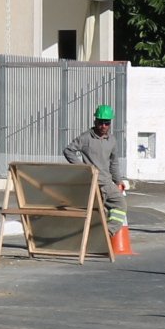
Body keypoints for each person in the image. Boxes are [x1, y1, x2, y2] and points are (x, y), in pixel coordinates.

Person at [62, 104, 128, 246]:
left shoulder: (112, 140)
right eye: (100, 122)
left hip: (107, 182)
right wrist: (84, 169)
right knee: (98, 212)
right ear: (95, 121)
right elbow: (68, 151)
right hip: (92, 182)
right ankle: (88, 241)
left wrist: (118, 180)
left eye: (106, 123)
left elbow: (114, 162)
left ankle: (107, 233)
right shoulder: (86, 138)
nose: (103, 126)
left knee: (120, 204)